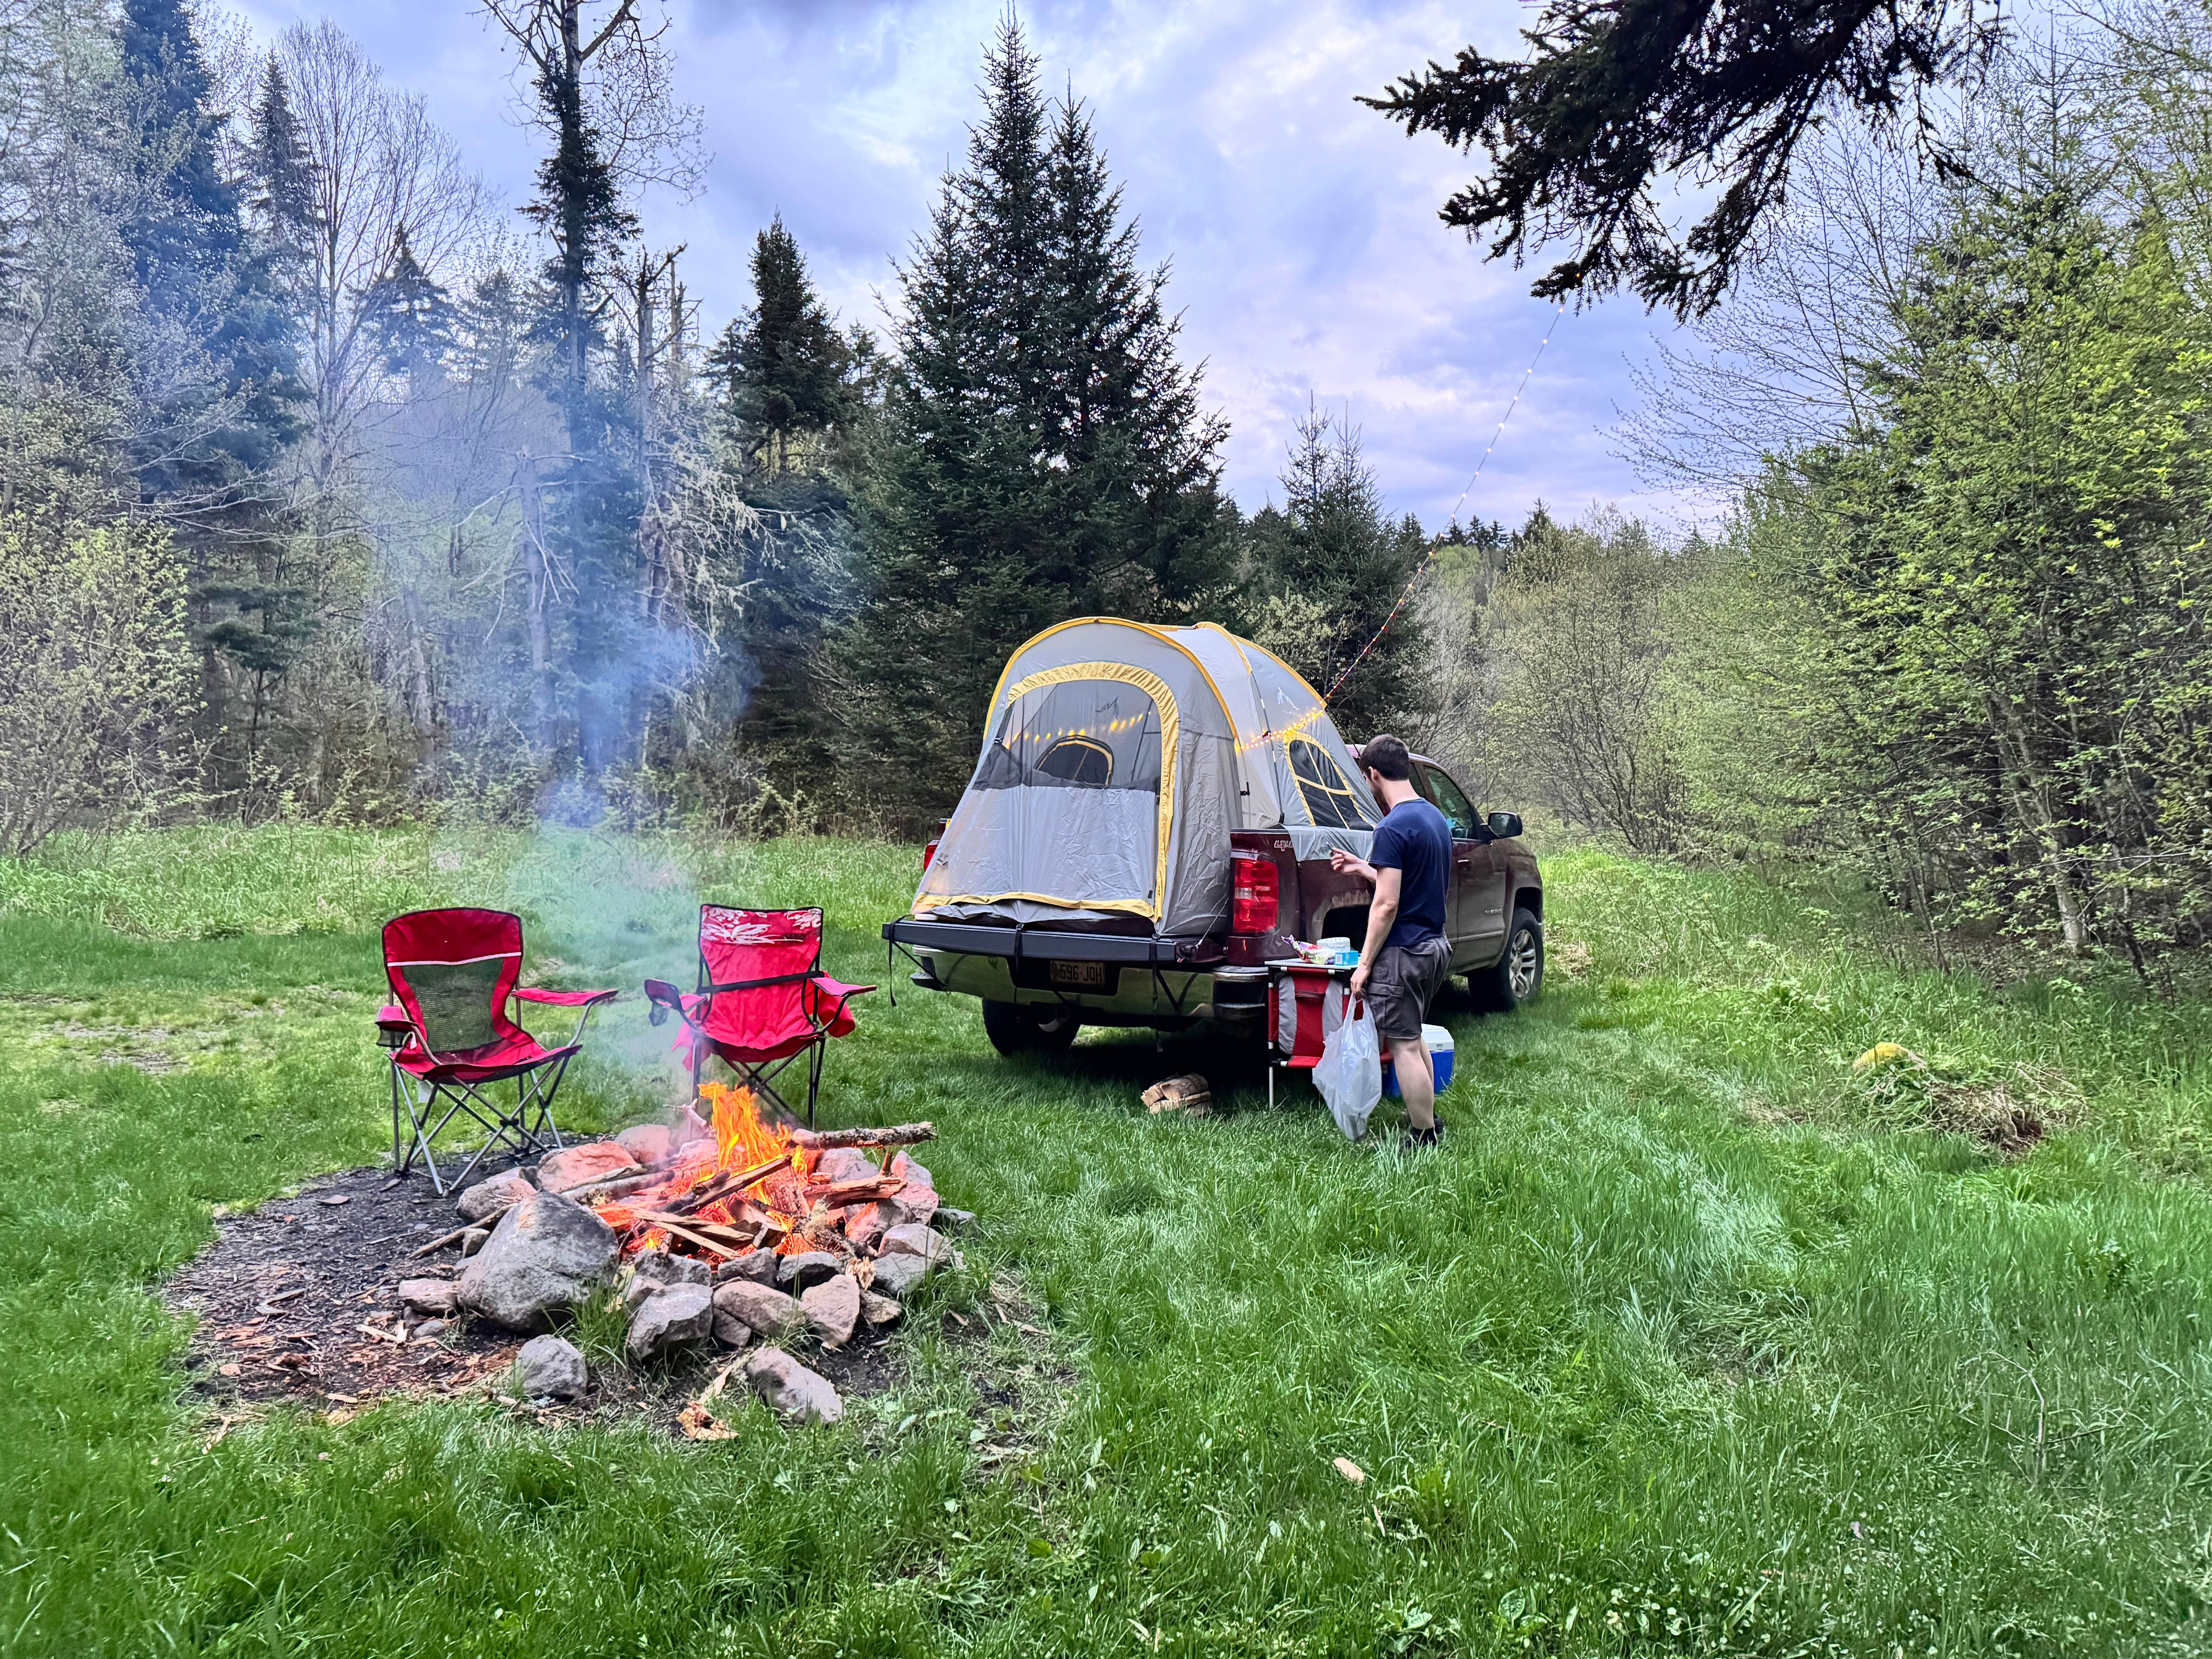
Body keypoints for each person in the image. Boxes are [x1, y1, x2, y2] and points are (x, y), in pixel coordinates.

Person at [1329, 734, 1453, 1145]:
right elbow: (1407, 880)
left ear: (1373, 774)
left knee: (1402, 1045)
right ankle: (1430, 1119)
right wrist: (1365, 867)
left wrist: (1363, 965)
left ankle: (1423, 1136)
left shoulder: (1392, 826)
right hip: (1434, 946)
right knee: (1414, 1035)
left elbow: (1386, 905)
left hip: (1404, 953)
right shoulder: (1434, 818)